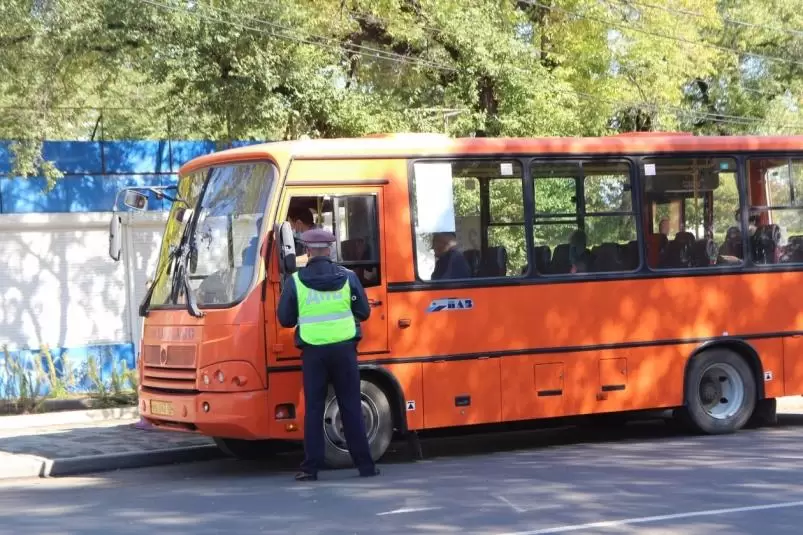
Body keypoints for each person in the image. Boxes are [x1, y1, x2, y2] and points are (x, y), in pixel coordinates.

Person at [277, 227, 380, 481]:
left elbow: (285, 319)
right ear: (330, 250)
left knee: (313, 410)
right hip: (344, 351)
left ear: (307, 251)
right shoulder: (348, 277)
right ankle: (365, 466)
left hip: (313, 352)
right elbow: (364, 312)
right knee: (351, 407)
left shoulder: (295, 282)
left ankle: (310, 468)